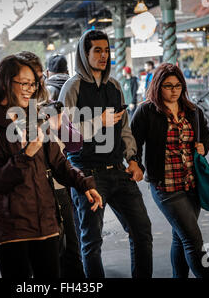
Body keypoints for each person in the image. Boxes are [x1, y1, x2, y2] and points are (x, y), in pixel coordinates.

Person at [0, 55, 103, 278]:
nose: (30, 89)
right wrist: (26, 155)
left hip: (46, 224)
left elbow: (59, 162)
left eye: (33, 83)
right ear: (5, 82)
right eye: (24, 83)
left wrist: (83, 183)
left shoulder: (32, 117)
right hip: (11, 230)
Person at [58, 29, 153, 278]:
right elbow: (65, 135)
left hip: (118, 170)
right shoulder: (72, 87)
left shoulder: (114, 85)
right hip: (86, 174)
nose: (104, 55)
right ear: (84, 53)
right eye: (97, 50)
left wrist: (133, 160)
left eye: (107, 50)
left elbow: (125, 128)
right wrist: (99, 120)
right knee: (91, 243)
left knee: (142, 231)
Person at [131, 63, 209, 278]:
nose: (174, 90)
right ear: (158, 86)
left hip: (192, 183)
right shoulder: (147, 110)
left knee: (181, 237)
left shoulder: (192, 110)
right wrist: (135, 164)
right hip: (165, 186)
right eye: (168, 85)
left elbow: (205, 134)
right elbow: (133, 142)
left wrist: (203, 146)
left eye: (178, 85)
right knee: (194, 241)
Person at [17, 51, 85, 278]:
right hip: (28, 194)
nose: (34, 84)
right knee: (39, 261)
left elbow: (74, 144)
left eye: (37, 77)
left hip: (58, 187)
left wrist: (60, 125)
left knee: (71, 254)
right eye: (27, 78)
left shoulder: (51, 106)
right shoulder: (8, 114)